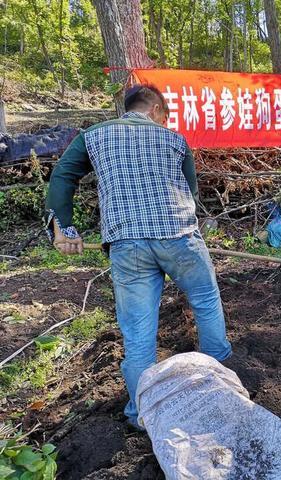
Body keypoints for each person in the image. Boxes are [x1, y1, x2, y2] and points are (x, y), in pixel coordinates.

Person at [45, 85, 232, 429]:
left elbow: (62, 175)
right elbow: (189, 192)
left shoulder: (94, 136)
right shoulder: (174, 140)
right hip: (180, 238)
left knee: (137, 332)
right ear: (157, 110)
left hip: (126, 244)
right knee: (205, 300)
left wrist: (64, 229)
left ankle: (142, 413)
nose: (165, 121)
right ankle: (219, 384)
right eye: (166, 115)